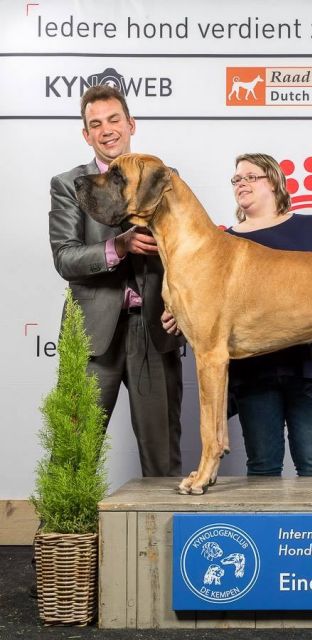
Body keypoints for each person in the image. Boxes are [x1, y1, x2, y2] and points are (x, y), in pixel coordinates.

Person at [48, 85, 184, 477]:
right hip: (92, 336)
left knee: (163, 459)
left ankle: (162, 522)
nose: (106, 130)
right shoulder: (68, 184)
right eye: (96, 124)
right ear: (86, 135)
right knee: (73, 458)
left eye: (113, 119)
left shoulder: (163, 177)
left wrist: (180, 304)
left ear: (131, 124)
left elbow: (185, 253)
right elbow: (65, 257)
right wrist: (118, 246)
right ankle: (67, 522)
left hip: (155, 331)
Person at [225, 153, 312, 476]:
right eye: (236, 179)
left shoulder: (311, 228)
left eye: (251, 176)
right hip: (254, 369)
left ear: (275, 182)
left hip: (308, 365)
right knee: (262, 466)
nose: (241, 183)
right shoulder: (226, 241)